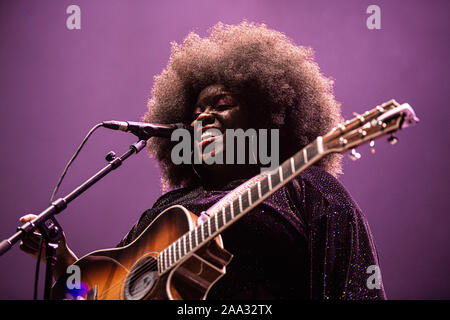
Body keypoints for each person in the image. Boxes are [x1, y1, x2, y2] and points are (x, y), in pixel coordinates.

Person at [20, 21, 386, 299]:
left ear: (266, 116)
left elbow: (356, 288)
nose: (203, 117)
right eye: (196, 110)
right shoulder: (166, 210)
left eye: (222, 105)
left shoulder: (306, 187)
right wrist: (63, 265)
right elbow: (89, 296)